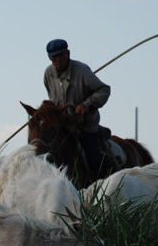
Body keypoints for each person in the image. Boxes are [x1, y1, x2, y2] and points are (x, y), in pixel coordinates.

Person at [43, 38, 115, 176]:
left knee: (93, 160)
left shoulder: (82, 71)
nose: (57, 60)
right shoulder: (48, 74)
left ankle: (112, 177)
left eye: (60, 55)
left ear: (68, 54)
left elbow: (104, 89)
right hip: (63, 127)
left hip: (85, 125)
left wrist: (87, 104)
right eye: (53, 57)